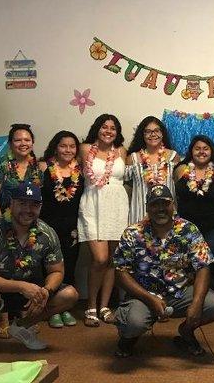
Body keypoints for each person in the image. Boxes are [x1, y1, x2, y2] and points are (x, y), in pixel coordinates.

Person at [0, 181, 79, 362]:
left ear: (40, 207)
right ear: (11, 204)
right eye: (22, 203)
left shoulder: (46, 232)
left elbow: (56, 271)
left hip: (29, 291)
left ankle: (21, 327)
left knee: (70, 294)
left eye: (34, 204)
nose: (28, 209)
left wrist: (45, 291)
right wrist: (21, 286)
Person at [112, 185, 214, 358]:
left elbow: (203, 266)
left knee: (213, 305)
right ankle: (128, 338)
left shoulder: (188, 230)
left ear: (173, 205)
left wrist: (196, 303)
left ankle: (186, 331)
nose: (160, 209)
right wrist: (150, 299)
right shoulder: (133, 233)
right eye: (155, 204)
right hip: (143, 294)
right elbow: (120, 273)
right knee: (134, 322)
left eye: (165, 203)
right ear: (147, 207)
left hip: (180, 292)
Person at [0, 123, 43, 338]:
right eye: (18, 140)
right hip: (5, 224)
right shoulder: (2, 165)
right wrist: (0, 224)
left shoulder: (37, 168)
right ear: (11, 143)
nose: (23, 143)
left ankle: (24, 317)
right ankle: (3, 319)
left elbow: (39, 198)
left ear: (32, 143)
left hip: (29, 226)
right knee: (3, 270)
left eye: (27, 140)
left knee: (29, 268)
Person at [78, 114, 128, 327]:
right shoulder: (84, 149)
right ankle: (90, 306)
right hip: (93, 203)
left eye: (113, 128)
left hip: (117, 204)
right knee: (99, 258)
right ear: (97, 128)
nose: (109, 131)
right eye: (104, 127)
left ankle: (105, 306)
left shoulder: (122, 152)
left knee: (112, 260)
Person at [39, 131, 84, 328]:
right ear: (55, 147)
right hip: (47, 227)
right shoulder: (44, 168)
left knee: (69, 267)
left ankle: (65, 307)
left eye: (72, 146)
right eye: (63, 146)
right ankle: (50, 309)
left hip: (72, 228)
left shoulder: (80, 170)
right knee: (49, 268)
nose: (68, 150)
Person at [174, 135, 214, 290]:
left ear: (211, 151)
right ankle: (189, 302)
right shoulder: (180, 170)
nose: (201, 152)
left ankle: (211, 305)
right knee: (186, 266)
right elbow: (171, 196)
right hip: (185, 229)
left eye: (205, 149)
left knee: (207, 264)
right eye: (197, 148)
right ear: (191, 151)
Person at [126, 115, 179, 224]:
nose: (153, 134)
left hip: (167, 214)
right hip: (139, 213)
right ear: (143, 135)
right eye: (148, 131)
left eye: (156, 131)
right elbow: (127, 189)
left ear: (162, 133)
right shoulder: (133, 158)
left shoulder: (173, 156)